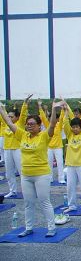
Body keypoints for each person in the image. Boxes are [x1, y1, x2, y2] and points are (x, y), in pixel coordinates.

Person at [0, 99, 60, 237]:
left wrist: (54, 109)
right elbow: (9, 123)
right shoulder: (22, 135)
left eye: (32, 124)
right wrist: (1, 110)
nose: (29, 126)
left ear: (39, 126)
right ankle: (28, 227)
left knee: (44, 202)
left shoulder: (44, 136)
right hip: (26, 175)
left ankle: (51, 228)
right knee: (28, 203)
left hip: (41, 174)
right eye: (27, 124)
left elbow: (52, 124)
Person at [61, 102, 81, 214]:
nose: (75, 129)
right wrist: (65, 111)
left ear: (80, 128)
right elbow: (65, 124)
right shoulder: (70, 135)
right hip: (71, 164)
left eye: (77, 127)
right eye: (73, 127)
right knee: (70, 187)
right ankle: (72, 205)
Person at [1, 95, 29, 198]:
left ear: (17, 117)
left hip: (17, 149)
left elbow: (23, 115)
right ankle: (12, 190)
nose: (9, 118)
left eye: (11, 116)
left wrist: (25, 103)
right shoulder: (6, 124)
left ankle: (27, 191)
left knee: (22, 171)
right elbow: (2, 115)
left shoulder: (20, 124)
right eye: (8, 116)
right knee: (9, 172)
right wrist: (2, 108)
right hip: (7, 149)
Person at [38, 100, 66, 184]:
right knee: (49, 163)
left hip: (58, 147)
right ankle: (49, 178)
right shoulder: (48, 125)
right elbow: (43, 117)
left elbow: (61, 118)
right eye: (49, 117)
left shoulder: (59, 125)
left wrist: (62, 109)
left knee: (60, 163)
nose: (51, 118)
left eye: (52, 117)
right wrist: (39, 106)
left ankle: (61, 178)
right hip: (49, 147)